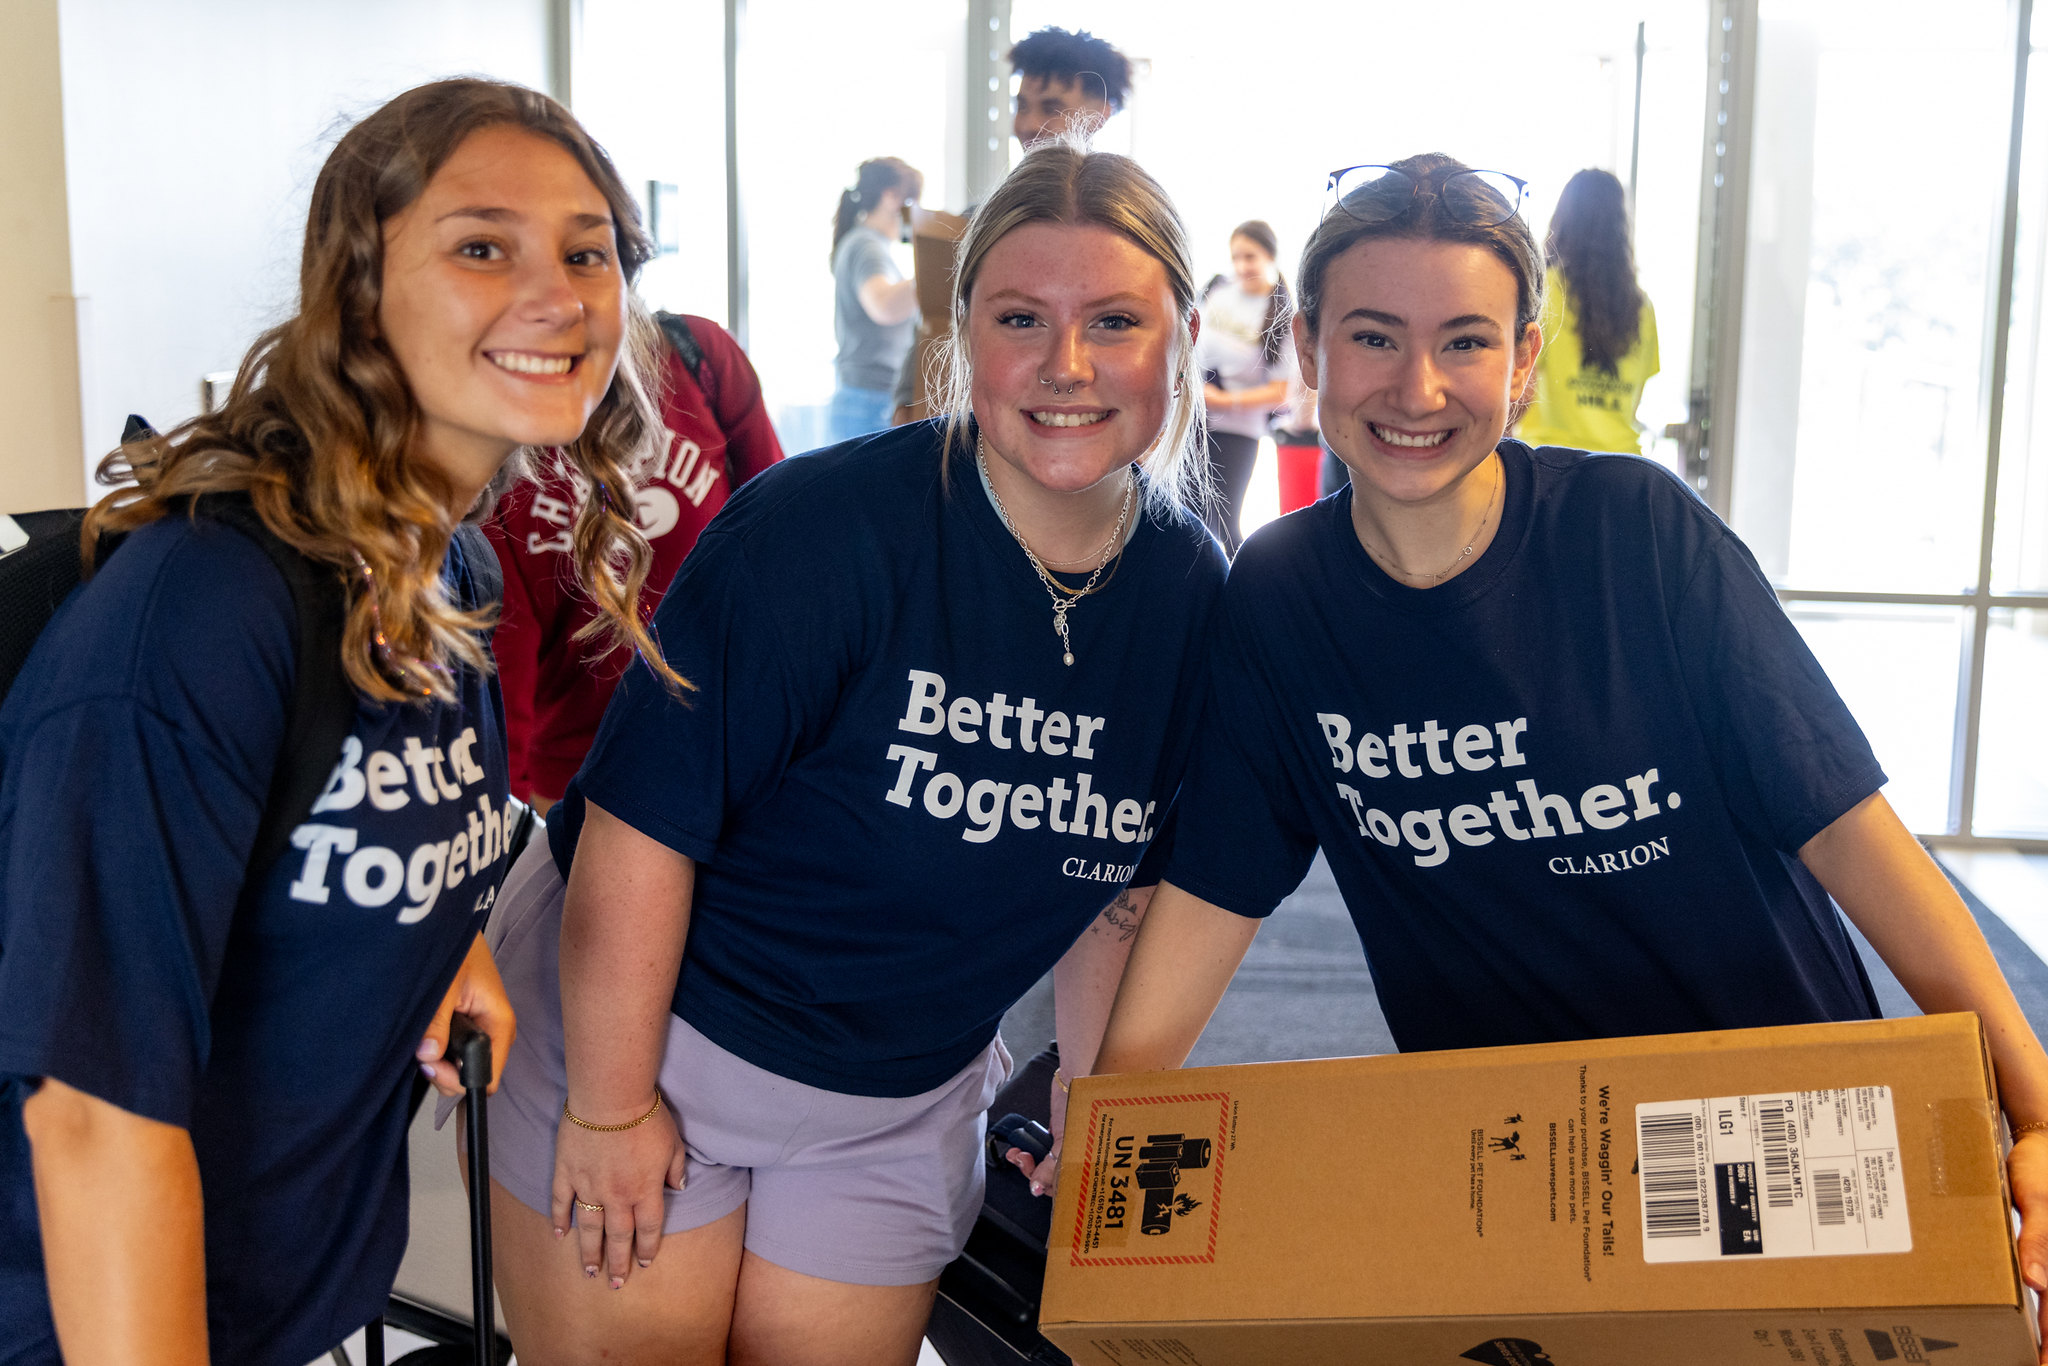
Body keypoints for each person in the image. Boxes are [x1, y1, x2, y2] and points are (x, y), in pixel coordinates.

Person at [1083, 155, 2048, 1349]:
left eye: (1466, 342)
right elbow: (1210, 891)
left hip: (1772, 1114)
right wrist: (1106, 1133)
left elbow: (1849, 829)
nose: (1417, 387)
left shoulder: (1635, 536)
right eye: (1374, 337)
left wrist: (2034, 1104)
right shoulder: (1281, 600)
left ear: (1524, 360)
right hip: (1523, 1167)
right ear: (1308, 343)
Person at [478, 136, 1224, 1366]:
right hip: (652, 1031)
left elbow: (1119, 898)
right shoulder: (822, 531)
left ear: (1183, 335)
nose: (1066, 365)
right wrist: (609, 1111)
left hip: (895, 1092)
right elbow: (637, 835)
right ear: (961, 331)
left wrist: (1097, 1112)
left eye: (1115, 321)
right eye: (1020, 317)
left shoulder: (1191, 590)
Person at [0, 78, 682, 1365]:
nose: (557, 292)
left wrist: (431, 937)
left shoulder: (446, 567)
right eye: (482, 245)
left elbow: (357, 826)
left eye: (586, 252)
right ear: (358, 288)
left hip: (278, 1300)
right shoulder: (206, 605)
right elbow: (91, 1116)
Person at [488, 314, 784, 813]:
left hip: (724, 760)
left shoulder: (697, 355)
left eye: (587, 255)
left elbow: (782, 542)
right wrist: (507, 823)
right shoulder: (497, 419)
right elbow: (503, 666)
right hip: (574, 787)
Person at [889, 27, 1137, 427]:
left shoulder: (1135, 228)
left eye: (1051, 107)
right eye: (1021, 106)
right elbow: (937, 324)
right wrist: (908, 405)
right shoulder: (979, 222)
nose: (1028, 123)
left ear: (1100, 112)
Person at [1516, 167, 1659, 455]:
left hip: (1551, 464)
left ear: (1563, 217)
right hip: (1622, 466)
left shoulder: (1544, 289)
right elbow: (1633, 405)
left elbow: (1523, 390)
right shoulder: (1642, 306)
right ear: (1621, 227)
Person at [1197, 220, 1294, 552]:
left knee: (1222, 521)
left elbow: (1283, 392)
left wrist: (1225, 400)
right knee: (1189, 517)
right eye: (1235, 257)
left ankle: (1239, 591)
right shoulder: (1218, 292)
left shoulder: (1280, 313)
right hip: (1196, 420)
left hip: (1239, 429)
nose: (1241, 266)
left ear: (1270, 256)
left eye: (1249, 256)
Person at [828, 157, 923, 445]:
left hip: (864, 395)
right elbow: (883, 306)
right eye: (912, 203)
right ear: (891, 197)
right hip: (869, 398)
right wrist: (940, 266)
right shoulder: (866, 246)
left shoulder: (866, 244)